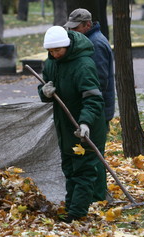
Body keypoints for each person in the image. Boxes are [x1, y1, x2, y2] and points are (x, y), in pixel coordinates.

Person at [38, 26, 107, 223]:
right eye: (50, 51)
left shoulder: (84, 65)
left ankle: (76, 215)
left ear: (67, 46)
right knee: (69, 168)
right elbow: (42, 88)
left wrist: (85, 123)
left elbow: (93, 99)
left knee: (84, 170)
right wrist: (45, 92)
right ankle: (71, 209)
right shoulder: (51, 63)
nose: (54, 54)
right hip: (65, 126)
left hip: (86, 125)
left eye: (57, 50)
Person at [64, 8, 115, 202]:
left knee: (94, 153)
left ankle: (98, 195)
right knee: (90, 152)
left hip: (97, 109)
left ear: (87, 25)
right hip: (92, 107)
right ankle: (96, 193)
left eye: (76, 28)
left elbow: (99, 82)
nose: (73, 33)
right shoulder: (88, 41)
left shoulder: (96, 44)